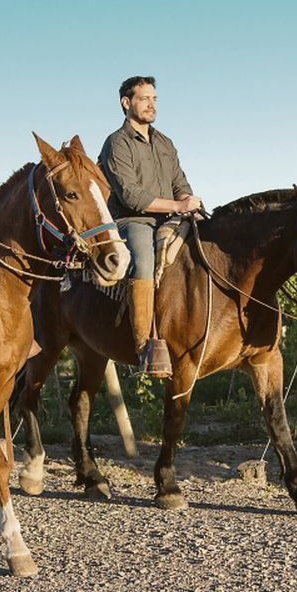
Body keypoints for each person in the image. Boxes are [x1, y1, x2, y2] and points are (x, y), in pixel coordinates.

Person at [98, 76, 202, 377]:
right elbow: (132, 196)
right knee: (143, 259)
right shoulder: (116, 143)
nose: (151, 105)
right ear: (126, 103)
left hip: (170, 216)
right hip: (134, 220)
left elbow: (179, 183)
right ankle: (144, 347)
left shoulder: (165, 142)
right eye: (144, 99)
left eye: (154, 99)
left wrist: (188, 202)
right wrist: (177, 206)